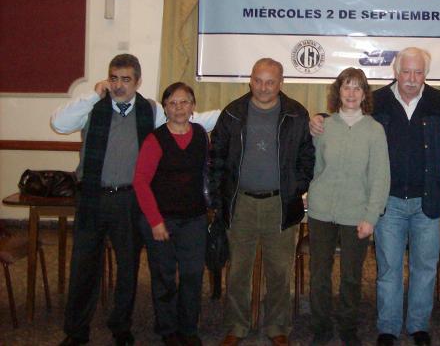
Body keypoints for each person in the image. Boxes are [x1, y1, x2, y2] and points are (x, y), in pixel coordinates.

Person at [51, 54, 218, 346]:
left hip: (129, 201)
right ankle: (76, 331)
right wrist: (93, 95)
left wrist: (237, 112)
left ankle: (121, 326)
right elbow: (60, 123)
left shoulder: (150, 109)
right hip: (93, 197)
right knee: (83, 267)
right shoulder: (94, 107)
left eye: (126, 79)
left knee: (127, 269)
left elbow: (191, 118)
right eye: (114, 78)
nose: (119, 85)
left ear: (138, 82)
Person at [311, 47, 440, 346]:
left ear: (426, 74)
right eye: (406, 71)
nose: (412, 78)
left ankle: (418, 326)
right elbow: (346, 117)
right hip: (389, 202)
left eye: (418, 72)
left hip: (427, 201)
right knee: (388, 269)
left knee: (424, 268)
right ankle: (388, 328)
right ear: (396, 71)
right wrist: (319, 117)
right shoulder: (379, 102)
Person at [210, 58, 314, 346]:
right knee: (238, 270)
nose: (263, 87)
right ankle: (236, 326)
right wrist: (218, 198)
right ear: (250, 80)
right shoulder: (232, 114)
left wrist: (295, 188)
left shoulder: (296, 114)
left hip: (280, 205)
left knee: (279, 270)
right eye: (258, 80)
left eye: (270, 82)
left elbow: (307, 158)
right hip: (240, 204)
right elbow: (216, 157)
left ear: (281, 82)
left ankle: (277, 326)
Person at [307, 67, 391, 346]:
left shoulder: (374, 130)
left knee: (352, 277)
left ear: (365, 94)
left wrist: (371, 217)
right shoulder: (323, 126)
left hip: (357, 215)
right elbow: (316, 168)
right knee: (319, 275)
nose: (351, 93)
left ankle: (347, 327)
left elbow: (380, 177)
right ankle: (320, 328)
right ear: (338, 92)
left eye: (357, 88)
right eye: (346, 87)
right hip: (321, 212)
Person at [132, 82, 209, 346]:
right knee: (164, 276)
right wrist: (155, 221)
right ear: (164, 107)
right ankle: (168, 329)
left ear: (193, 106)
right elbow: (141, 182)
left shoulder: (201, 135)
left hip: (194, 220)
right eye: (172, 103)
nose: (179, 108)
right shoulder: (155, 139)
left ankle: (188, 328)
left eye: (184, 102)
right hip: (161, 221)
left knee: (192, 275)